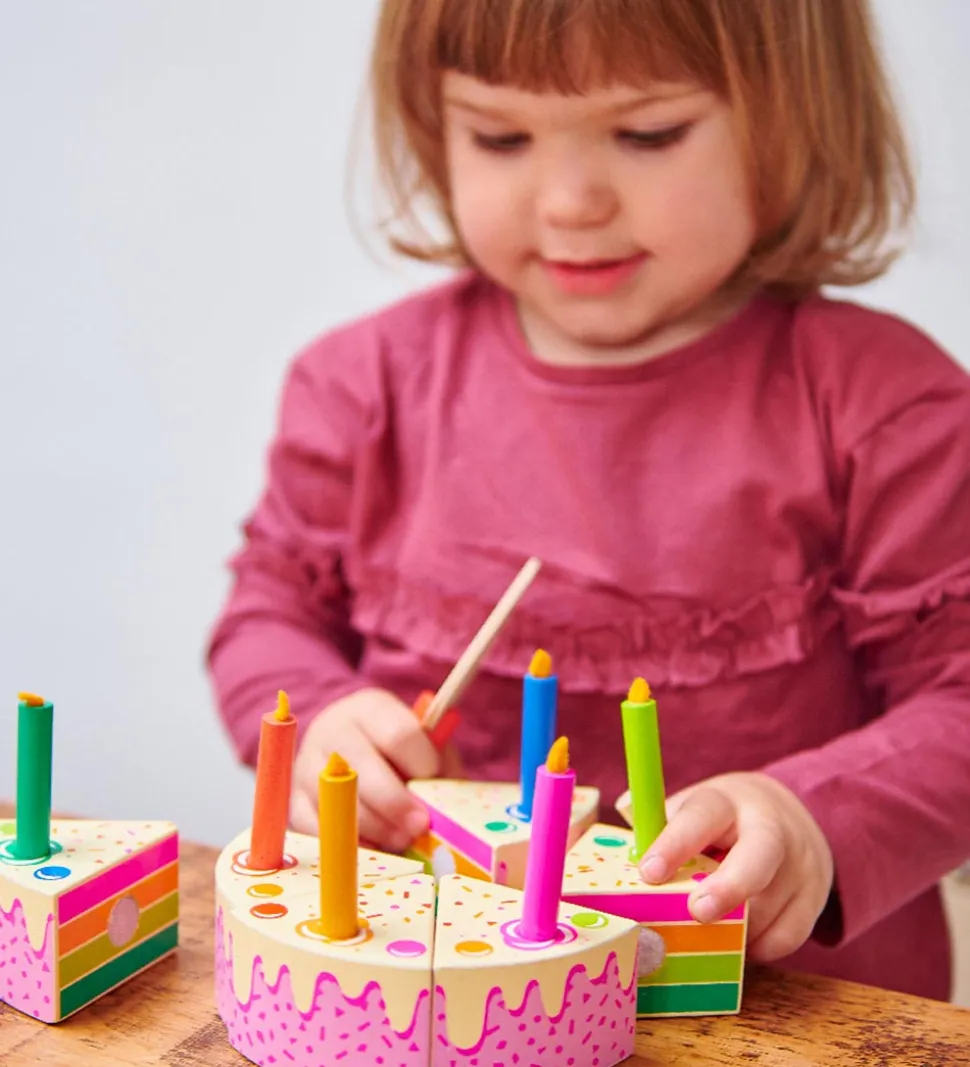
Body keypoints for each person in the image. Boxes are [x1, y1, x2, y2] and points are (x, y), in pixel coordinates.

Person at [206, 0, 970, 1001]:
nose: (569, 200)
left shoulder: (884, 405)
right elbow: (267, 611)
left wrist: (813, 814)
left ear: (790, 117)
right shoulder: (360, 389)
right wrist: (318, 721)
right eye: (500, 136)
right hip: (437, 995)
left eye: (647, 133)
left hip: (782, 1008)